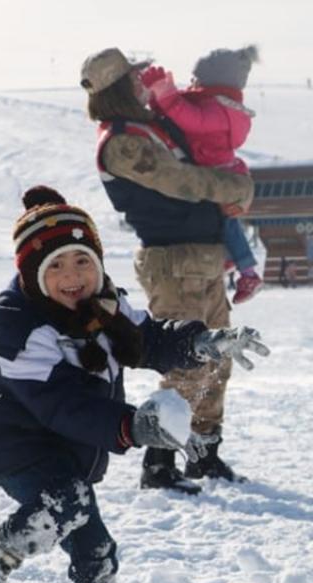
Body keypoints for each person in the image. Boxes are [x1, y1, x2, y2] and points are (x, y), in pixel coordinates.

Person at [0, 187, 269, 583]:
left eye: (82, 260)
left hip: (71, 446)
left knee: (95, 546)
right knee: (68, 498)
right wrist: (132, 426)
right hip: (19, 446)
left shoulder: (105, 307)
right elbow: (63, 404)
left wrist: (203, 341)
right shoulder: (22, 333)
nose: (73, 275)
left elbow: (152, 339)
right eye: (56, 266)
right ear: (32, 274)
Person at [83, 47, 256, 493]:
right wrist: (235, 187)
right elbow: (182, 181)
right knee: (186, 361)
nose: (146, 79)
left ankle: (203, 453)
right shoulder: (121, 142)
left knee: (218, 358)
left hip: (202, 255)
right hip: (173, 260)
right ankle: (159, 463)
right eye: (136, 75)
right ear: (119, 85)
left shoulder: (148, 126)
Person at [140, 46, 263, 304]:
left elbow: (188, 118)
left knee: (227, 221)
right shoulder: (213, 102)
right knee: (221, 221)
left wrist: (164, 91)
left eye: (197, 79)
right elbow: (171, 111)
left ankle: (248, 271)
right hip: (212, 172)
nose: (193, 83)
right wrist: (158, 91)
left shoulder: (220, 111)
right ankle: (234, 261)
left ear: (214, 80)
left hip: (218, 174)